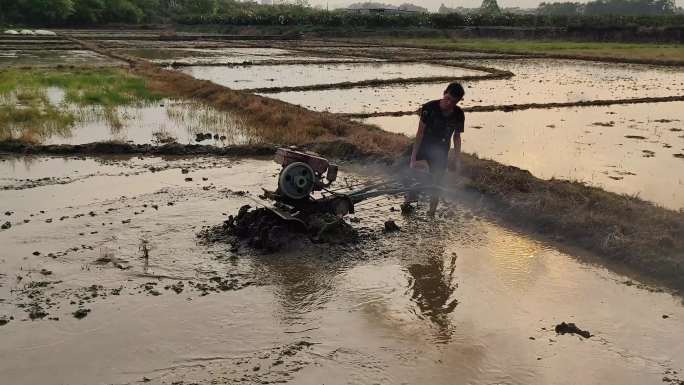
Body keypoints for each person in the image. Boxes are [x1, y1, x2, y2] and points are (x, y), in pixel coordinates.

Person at [407, 82, 465, 216]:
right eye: (448, 98)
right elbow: (420, 133)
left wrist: (457, 159)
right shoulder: (429, 108)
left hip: (441, 153)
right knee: (416, 179)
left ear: (458, 101)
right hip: (424, 149)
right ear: (444, 93)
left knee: (437, 185)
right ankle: (407, 205)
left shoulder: (458, 114)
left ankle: (431, 213)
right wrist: (413, 158)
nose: (449, 103)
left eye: (453, 102)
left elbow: (456, 137)